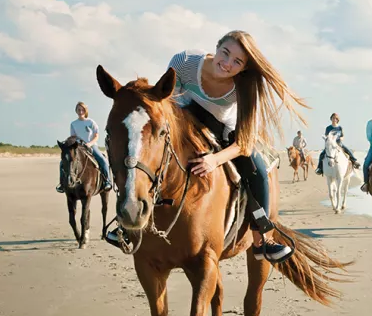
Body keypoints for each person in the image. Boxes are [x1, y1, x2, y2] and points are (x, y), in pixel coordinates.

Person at [108, 30, 309, 264]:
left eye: (237, 62)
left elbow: (244, 141)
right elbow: (167, 102)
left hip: (226, 131)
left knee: (259, 170)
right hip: (184, 122)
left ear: (244, 68)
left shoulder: (245, 86)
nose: (227, 64)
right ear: (217, 47)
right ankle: (127, 221)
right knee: (147, 153)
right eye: (225, 53)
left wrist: (214, 160)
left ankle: (263, 237)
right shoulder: (183, 62)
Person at [56, 101, 113, 193]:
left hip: (91, 146)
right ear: (76, 111)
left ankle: (107, 181)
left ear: (85, 111)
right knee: (62, 163)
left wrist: (90, 144)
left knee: (103, 160)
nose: (80, 111)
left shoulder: (91, 122)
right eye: (79, 109)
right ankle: (62, 184)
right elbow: (73, 137)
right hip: (78, 147)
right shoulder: (73, 124)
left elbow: (96, 136)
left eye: (82, 109)